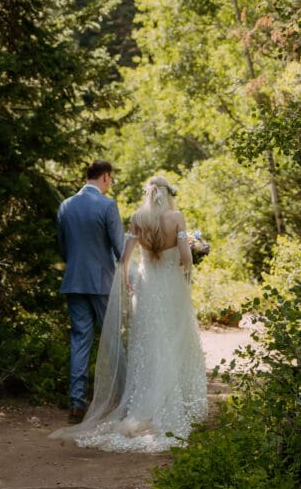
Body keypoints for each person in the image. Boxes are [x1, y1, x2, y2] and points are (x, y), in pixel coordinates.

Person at [51, 174, 207, 452]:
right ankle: (171, 402)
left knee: (148, 342)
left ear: (148, 193)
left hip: (147, 289)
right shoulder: (177, 218)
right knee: (173, 340)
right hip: (171, 288)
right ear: (168, 194)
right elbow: (185, 257)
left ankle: (144, 405)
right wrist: (193, 252)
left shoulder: (138, 217)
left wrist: (126, 279)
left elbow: (124, 258)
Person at [56, 159, 125, 423]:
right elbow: (120, 249)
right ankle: (123, 398)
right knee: (111, 339)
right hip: (102, 282)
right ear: (106, 177)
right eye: (112, 179)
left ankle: (76, 404)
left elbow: (63, 248)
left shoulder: (65, 205)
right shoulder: (107, 206)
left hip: (74, 280)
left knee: (79, 340)